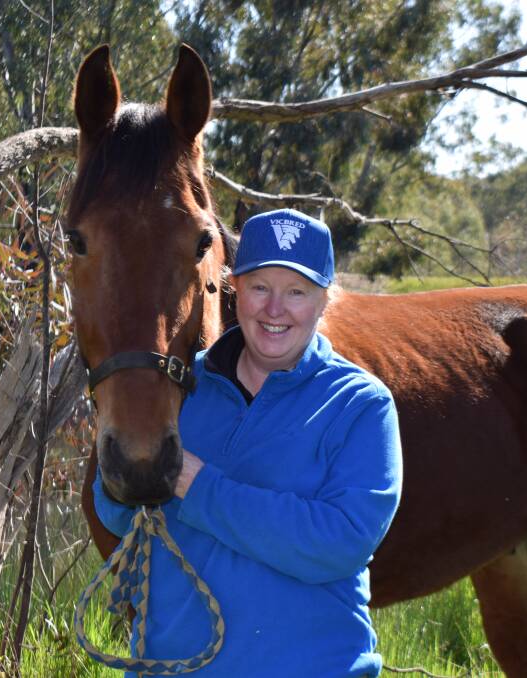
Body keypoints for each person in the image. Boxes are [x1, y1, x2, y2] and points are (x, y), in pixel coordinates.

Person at [92, 208, 403, 677]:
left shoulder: (360, 406)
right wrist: (126, 470)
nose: (274, 310)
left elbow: (339, 543)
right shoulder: (177, 388)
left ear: (324, 301)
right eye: (260, 288)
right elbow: (116, 515)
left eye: (296, 292)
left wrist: (196, 486)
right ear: (234, 288)